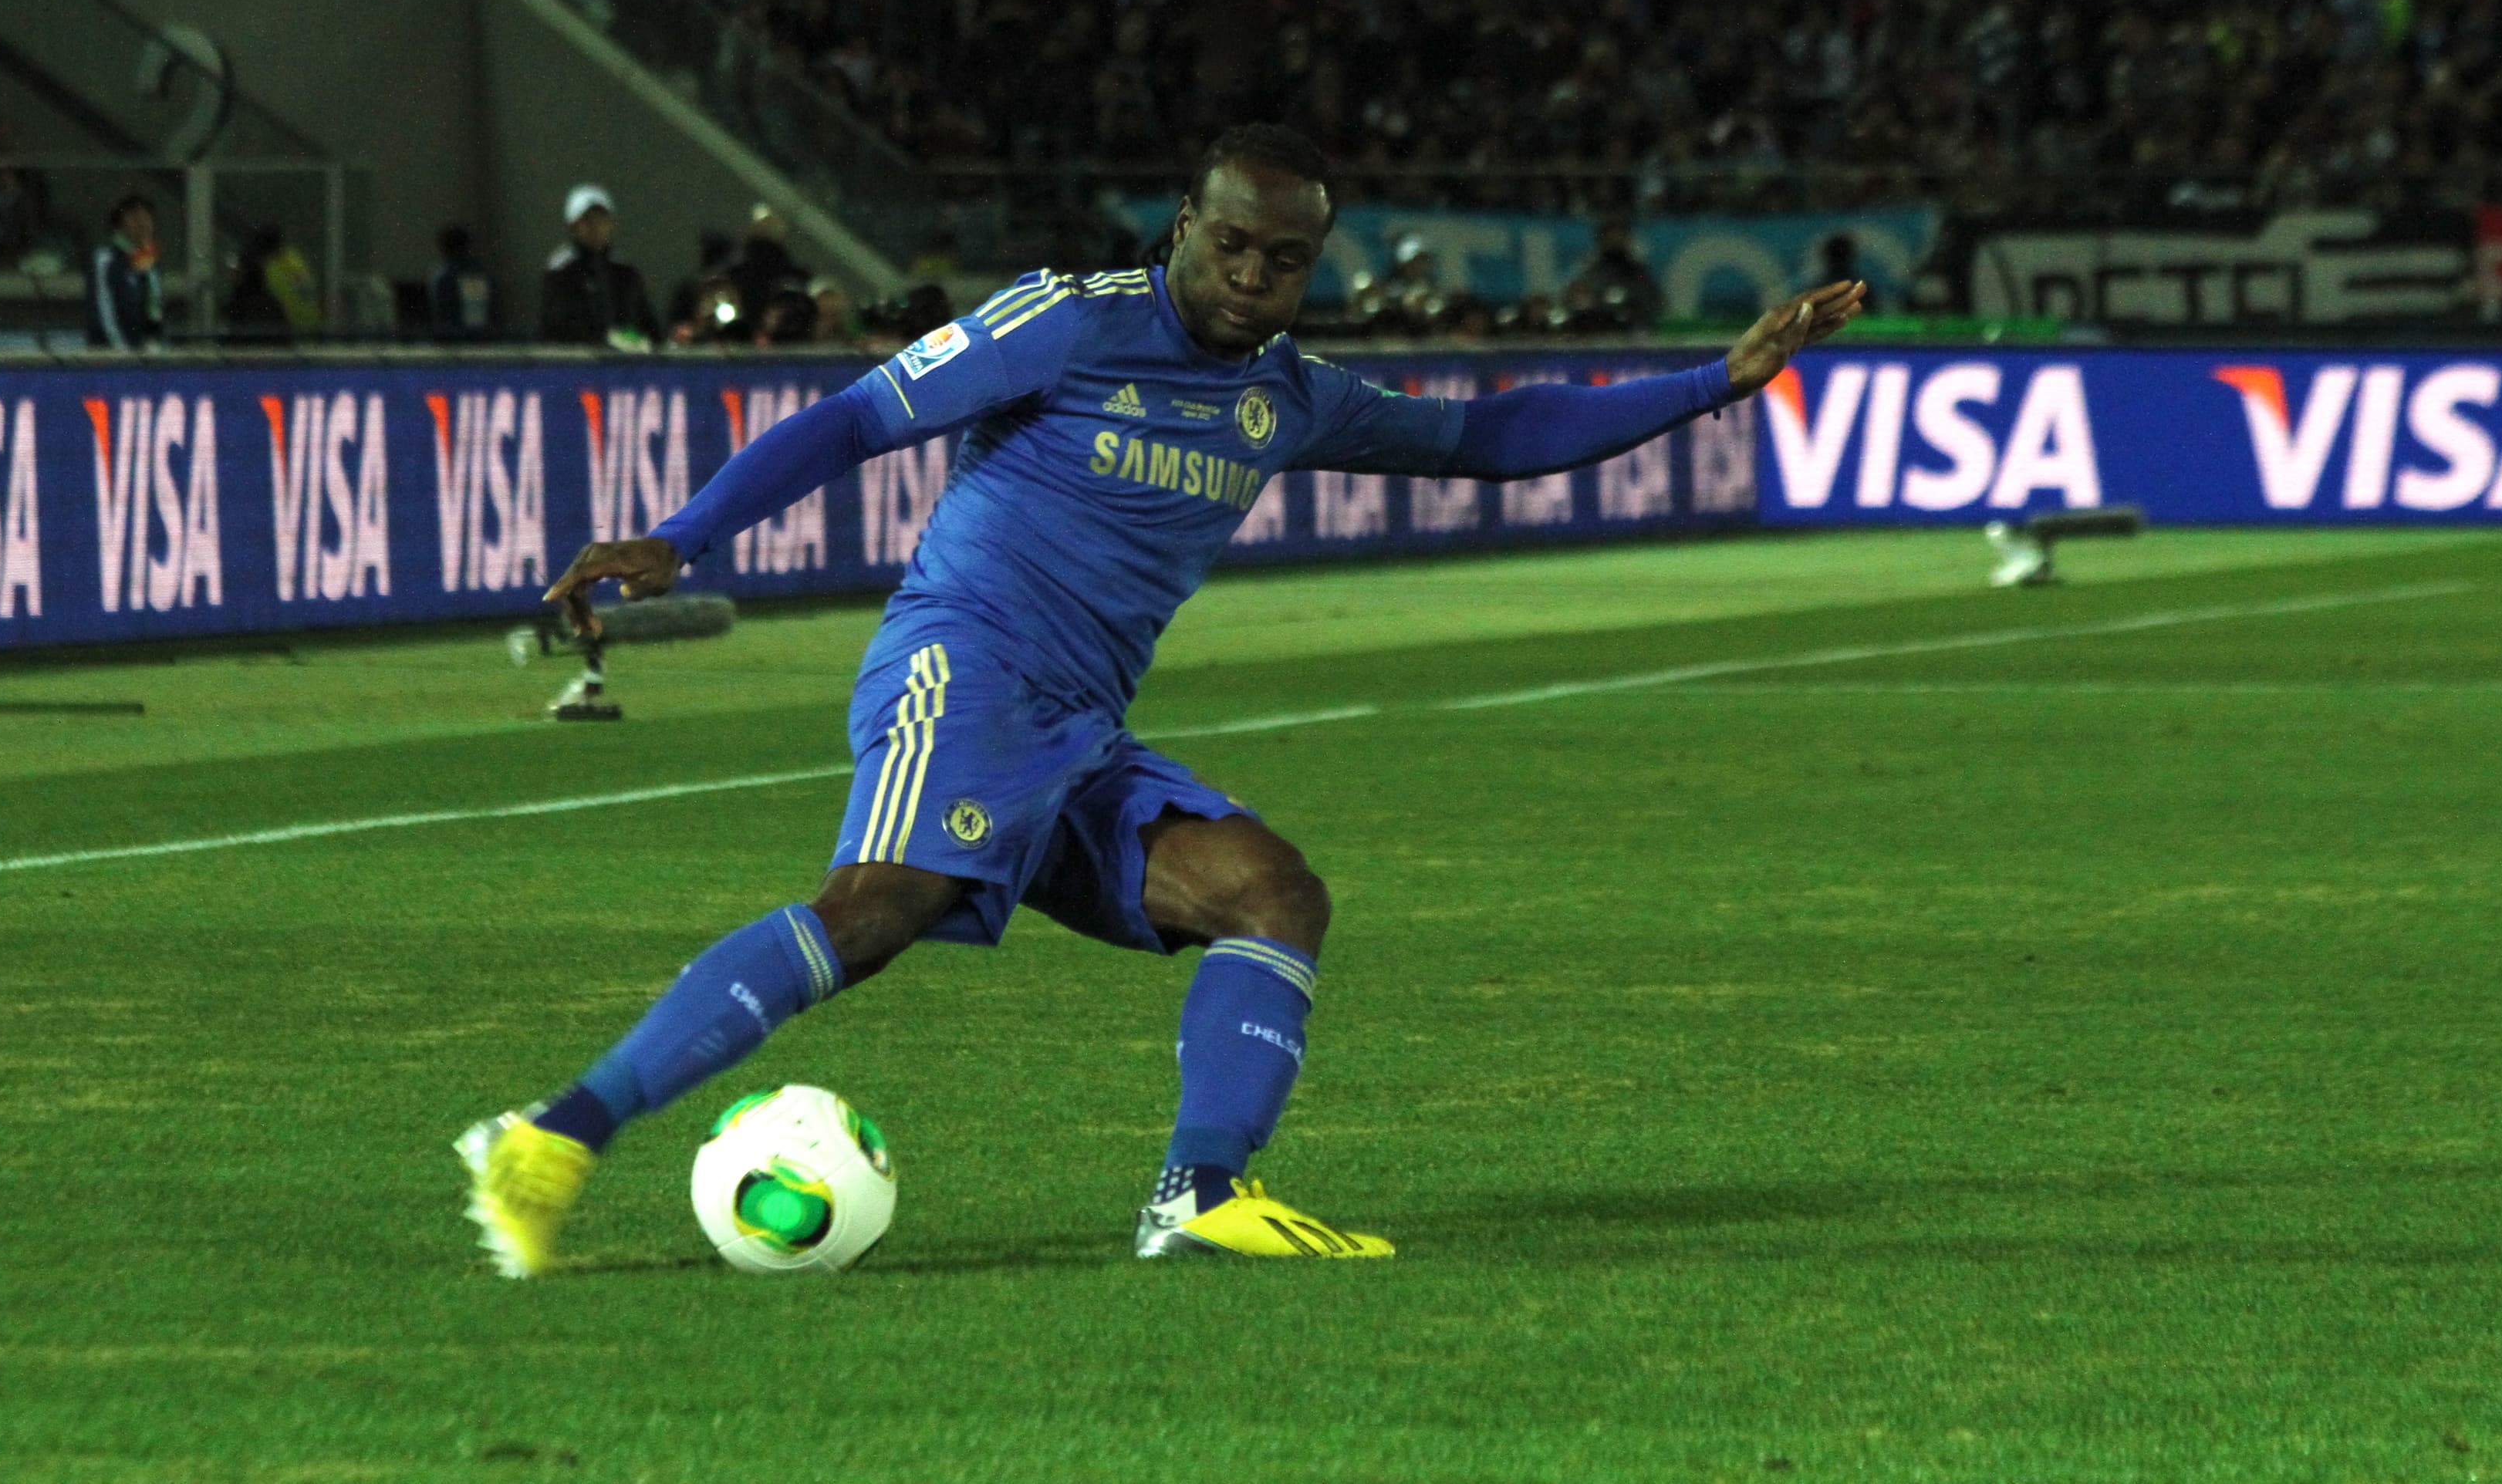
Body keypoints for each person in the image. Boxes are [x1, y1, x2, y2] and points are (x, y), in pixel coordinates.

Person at [458, 123, 1863, 1273]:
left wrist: (1713, 383)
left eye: (1288, 258)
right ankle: (552, 1139)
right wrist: (684, 535)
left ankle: (1197, 1194)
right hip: (972, 663)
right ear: (1181, 223)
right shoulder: (1068, 324)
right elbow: (856, 416)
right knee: (878, 905)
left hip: (1079, 725)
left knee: (1272, 894)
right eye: (1233, 242)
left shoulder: (1286, 392)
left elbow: (1484, 435)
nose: (1255, 275)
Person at [538, 183, 653, 347]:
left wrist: (631, 340)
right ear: (572, 226)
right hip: (575, 366)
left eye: (601, 219)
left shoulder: (625, 271)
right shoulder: (561, 271)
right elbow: (556, 328)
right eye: (587, 221)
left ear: (612, 223)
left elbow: (644, 323)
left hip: (624, 366)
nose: (595, 227)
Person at [84, 193, 161, 351]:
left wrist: (155, 347)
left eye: (146, 217)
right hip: (111, 359)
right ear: (119, 223)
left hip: (143, 358)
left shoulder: (149, 264)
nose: (142, 223)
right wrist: (121, 352)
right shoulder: (105, 260)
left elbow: (154, 311)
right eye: (134, 217)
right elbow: (104, 311)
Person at [427, 224, 494, 340]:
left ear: (444, 248)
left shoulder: (446, 276)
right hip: (480, 337)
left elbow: (443, 312)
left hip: (455, 338)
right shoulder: (480, 272)